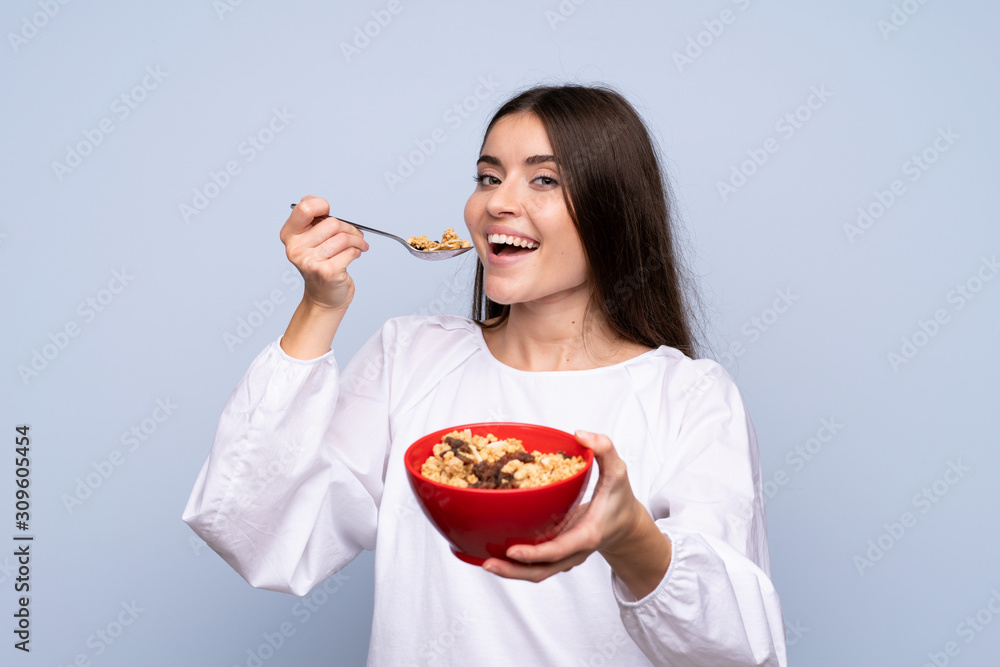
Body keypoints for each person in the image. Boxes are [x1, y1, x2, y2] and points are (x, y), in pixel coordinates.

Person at [184, 84, 787, 666]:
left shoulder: (689, 398)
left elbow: (736, 648)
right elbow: (257, 530)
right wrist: (318, 307)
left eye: (544, 179)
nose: (497, 202)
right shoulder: (411, 358)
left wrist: (628, 534)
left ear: (612, 207)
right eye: (488, 177)